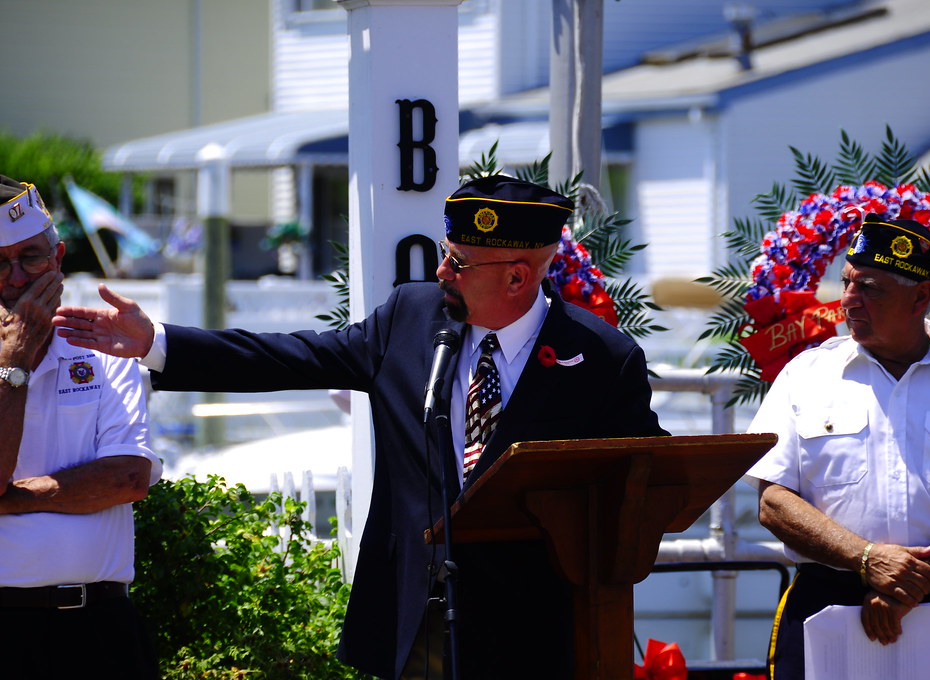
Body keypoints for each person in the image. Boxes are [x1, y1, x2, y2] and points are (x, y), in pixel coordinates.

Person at [54, 174, 669, 680]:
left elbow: (653, 479)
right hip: (414, 617)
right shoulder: (411, 317)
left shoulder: (600, 358)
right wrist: (156, 342)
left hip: (536, 628)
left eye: (459, 263)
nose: (442, 273)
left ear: (517, 276)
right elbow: (291, 357)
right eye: (444, 254)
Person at [744, 214, 930, 679]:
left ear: (921, 297)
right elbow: (773, 502)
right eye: (848, 282)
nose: (848, 301)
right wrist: (868, 561)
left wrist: (913, 581)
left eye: (870, 287)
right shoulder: (805, 375)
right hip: (823, 605)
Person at [0, 176, 163, 678]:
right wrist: (15, 364)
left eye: (30, 257)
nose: (16, 278)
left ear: (59, 257)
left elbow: (128, 479)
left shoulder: (102, 347)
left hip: (98, 626)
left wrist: (14, 497)